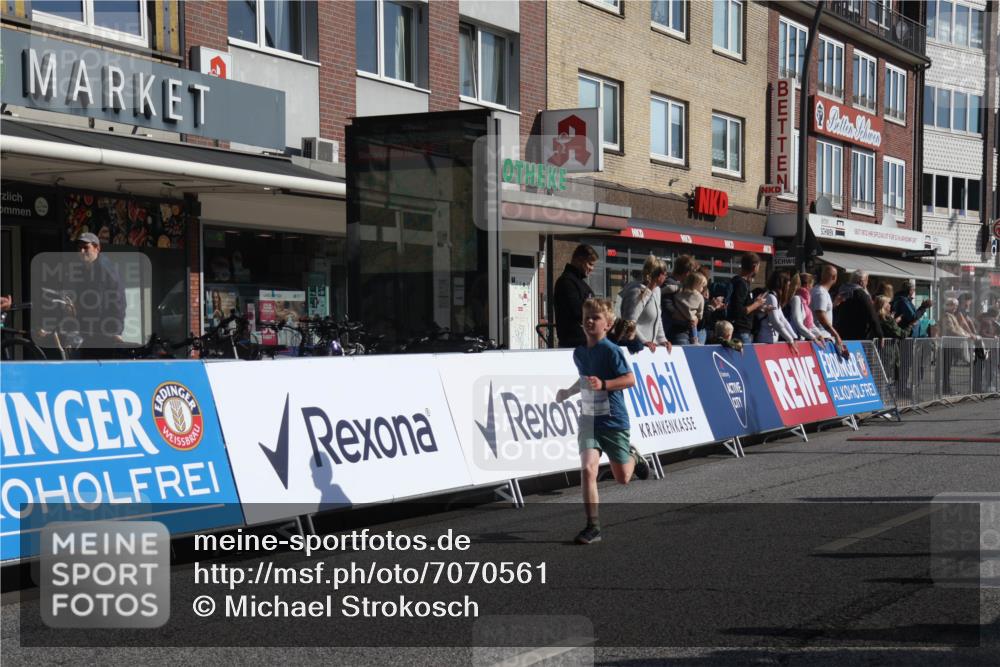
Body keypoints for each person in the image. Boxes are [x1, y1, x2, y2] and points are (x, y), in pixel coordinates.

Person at [555, 297, 649, 545]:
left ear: (607, 324)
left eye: (595, 318)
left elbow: (630, 380)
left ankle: (633, 456)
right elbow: (586, 380)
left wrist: (605, 384)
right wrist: (568, 392)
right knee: (588, 469)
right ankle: (592, 526)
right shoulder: (579, 353)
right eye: (586, 316)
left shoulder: (612, 351)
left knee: (623, 477)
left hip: (614, 420)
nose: (589, 321)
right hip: (589, 419)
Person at [66, 232, 126, 357]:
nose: (81, 251)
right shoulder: (83, 268)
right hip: (87, 330)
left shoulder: (106, 270)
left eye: (86, 247)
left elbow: (118, 302)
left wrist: (116, 331)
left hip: (103, 333)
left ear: (97, 248)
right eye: (79, 248)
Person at [618, 255, 668, 352]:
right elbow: (629, 322)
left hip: (649, 348)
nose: (666, 277)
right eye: (665, 274)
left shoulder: (657, 290)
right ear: (659, 276)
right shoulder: (637, 291)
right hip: (635, 348)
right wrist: (644, 341)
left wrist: (662, 339)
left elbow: (658, 318)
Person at [553, 244, 598, 348]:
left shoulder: (580, 283)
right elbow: (579, 312)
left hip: (584, 342)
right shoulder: (566, 282)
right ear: (579, 260)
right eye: (590, 264)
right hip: (574, 345)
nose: (592, 269)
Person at [727, 252, 767, 346]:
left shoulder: (743, 282)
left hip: (743, 331)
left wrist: (758, 308)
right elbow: (738, 311)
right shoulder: (741, 284)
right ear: (754, 266)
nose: (758, 269)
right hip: (740, 332)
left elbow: (745, 308)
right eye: (758, 266)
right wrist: (756, 304)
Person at [662, 254, 700, 344]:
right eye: (693, 272)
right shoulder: (669, 283)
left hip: (684, 330)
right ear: (687, 272)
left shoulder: (683, 285)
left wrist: (696, 318)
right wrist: (688, 319)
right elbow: (668, 307)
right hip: (675, 331)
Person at [834, 270, 883, 341]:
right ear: (861, 281)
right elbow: (871, 314)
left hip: (841, 331)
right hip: (857, 333)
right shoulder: (861, 294)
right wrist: (880, 334)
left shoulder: (842, 291)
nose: (867, 284)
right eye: (867, 281)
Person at [755, 271, 798, 350]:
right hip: (765, 341)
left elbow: (783, 320)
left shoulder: (775, 297)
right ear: (782, 285)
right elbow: (775, 321)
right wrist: (790, 339)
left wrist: (794, 337)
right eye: (788, 285)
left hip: (771, 340)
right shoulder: (771, 297)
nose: (788, 288)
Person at [787, 273, 826, 343]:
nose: (812, 287)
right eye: (812, 285)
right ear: (807, 285)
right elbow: (798, 323)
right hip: (794, 340)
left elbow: (810, 324)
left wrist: (819, 335)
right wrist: (813, 337)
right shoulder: (796, 299)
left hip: (800, 340)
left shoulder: (804, 302)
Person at [811, 264, 844, 348]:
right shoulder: (821, 293)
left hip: (821, 336)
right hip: (821, 338)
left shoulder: (819, 290)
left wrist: (834, 304)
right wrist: (836, 335)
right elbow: (821, 316)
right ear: (834, 278)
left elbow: (821, 311)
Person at [674, 271, 707, 345]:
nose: (702, 289)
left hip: (678, 323)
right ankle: (695, 339)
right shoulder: (700, 297)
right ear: (696, 285)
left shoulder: (679, 291)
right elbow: (700, 313)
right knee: (694, 322)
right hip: (690, 324)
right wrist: (698, 317)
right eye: (702, 286)